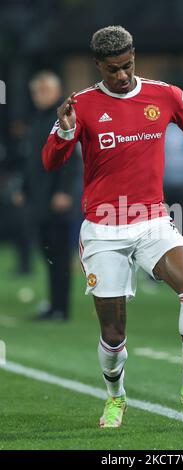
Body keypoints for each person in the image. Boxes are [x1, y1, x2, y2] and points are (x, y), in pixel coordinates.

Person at [42, 26, 183, 427]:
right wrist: (66, 131)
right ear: (98, 65)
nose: (122, 76)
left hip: (152, 219)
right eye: (113, 70)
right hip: (103, 228)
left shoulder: (166, 95)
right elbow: (50, 162)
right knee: (113, 333)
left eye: (127, 66)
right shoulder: (82, 105)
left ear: (134, 56)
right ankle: (115, 396)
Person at [24, 71, 80, 321]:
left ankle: (61, 308)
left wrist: (64, 192)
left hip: (57, 200)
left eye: (45, 90)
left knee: (58, 256)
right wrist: (24, 189)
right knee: (48, 255)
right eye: (37, 91)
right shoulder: (37, 120)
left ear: (57, 92)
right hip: (40, 199)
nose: (40, 96)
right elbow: (32, 162)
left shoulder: (62, 120)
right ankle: (53, 305)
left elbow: (72, 158)